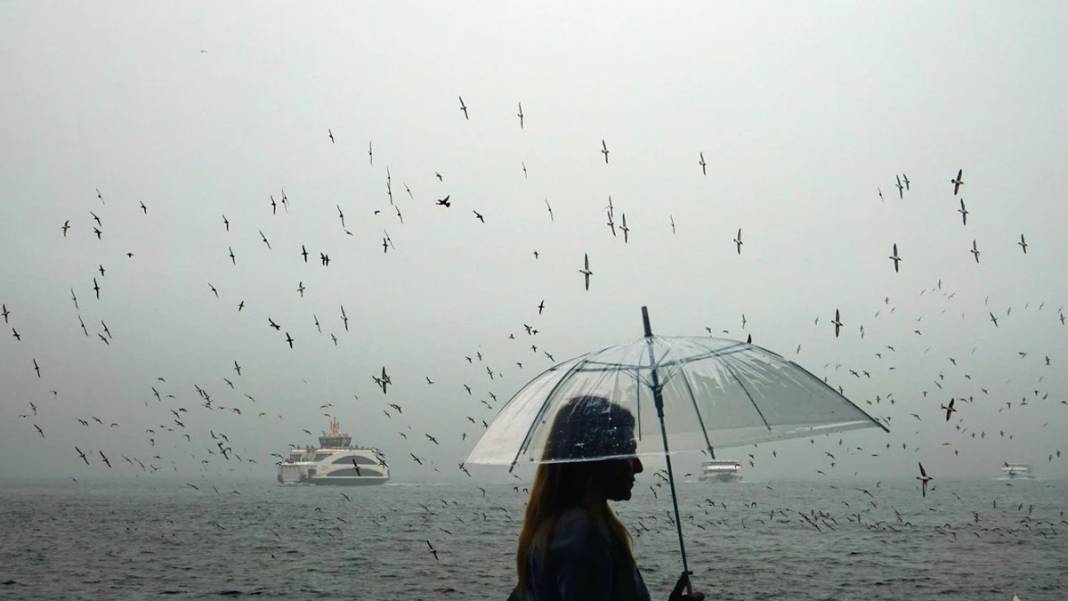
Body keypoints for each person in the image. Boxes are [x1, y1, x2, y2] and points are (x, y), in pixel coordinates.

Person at [511, 395, 704, 601]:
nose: (638, 466)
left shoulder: (560, 526)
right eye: (628, 451)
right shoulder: (583, 535)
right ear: (596, 459)